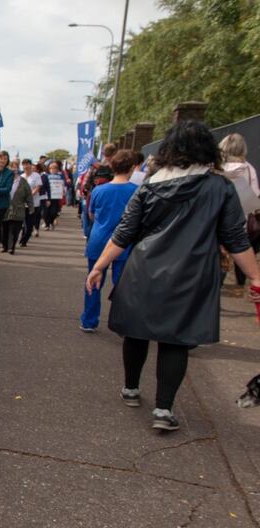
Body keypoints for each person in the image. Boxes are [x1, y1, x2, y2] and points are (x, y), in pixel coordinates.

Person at [87, 121, 260, 431]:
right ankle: (163, 410)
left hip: (144, 268)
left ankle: (130, 388)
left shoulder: (151, 184)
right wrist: (256, 276)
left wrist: (100, 265)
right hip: (191, 273)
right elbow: (236, 239)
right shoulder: (219, 187)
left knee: (136, 332)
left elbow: (124, 232)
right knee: (175, 341)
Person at [79, 149, 138, 333]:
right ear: (132, 168)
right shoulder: (136, 191)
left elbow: (91, 214)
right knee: (122, 286)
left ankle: (89, 320)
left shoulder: (98, 190)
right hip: (124, 243)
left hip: (98, 239)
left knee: (93, 280)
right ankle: (122, 323)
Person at [219, 133, 260, 286]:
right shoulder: (248, 169)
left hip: (214, 221)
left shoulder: (216, 168)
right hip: (238, 222)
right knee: (239, 251)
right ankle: (240, 284)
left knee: (218, 256)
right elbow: (254, 196)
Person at [4, 160, 34, 254]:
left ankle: (11, 247)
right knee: (5, 229)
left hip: (19, 209)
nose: (13, 169)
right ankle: (6, 245)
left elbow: (29, 195)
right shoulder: (4, 179)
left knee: (15, 229)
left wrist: (31, 207)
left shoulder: (23, 181)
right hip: (5, 209)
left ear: (18, 168)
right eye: (11, 167)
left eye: (15, 167)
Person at [18, 159, 42, 247]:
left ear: (31, 165)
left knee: (29, 224)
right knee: (23, 224)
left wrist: (29, 196)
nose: (26, 166)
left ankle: (24, 239)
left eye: (27, 164)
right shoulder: (21, 176)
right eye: (24, 165)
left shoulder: (36, 176)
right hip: (22, 204)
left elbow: (37, 188)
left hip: (33, 204)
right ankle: (22, 240)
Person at [43, 160, 66, 230]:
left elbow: (64, 185)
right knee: (46, 212)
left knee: (54, 212)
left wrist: (63, 191)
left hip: (56, 197)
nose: (53, 169)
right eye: (51, 168)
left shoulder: (60, 176)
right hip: (48, 197)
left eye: (55, 167)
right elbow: (43, 187)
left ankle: (51, 222)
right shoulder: (45, 176)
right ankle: (47, 224)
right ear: (49, 169)